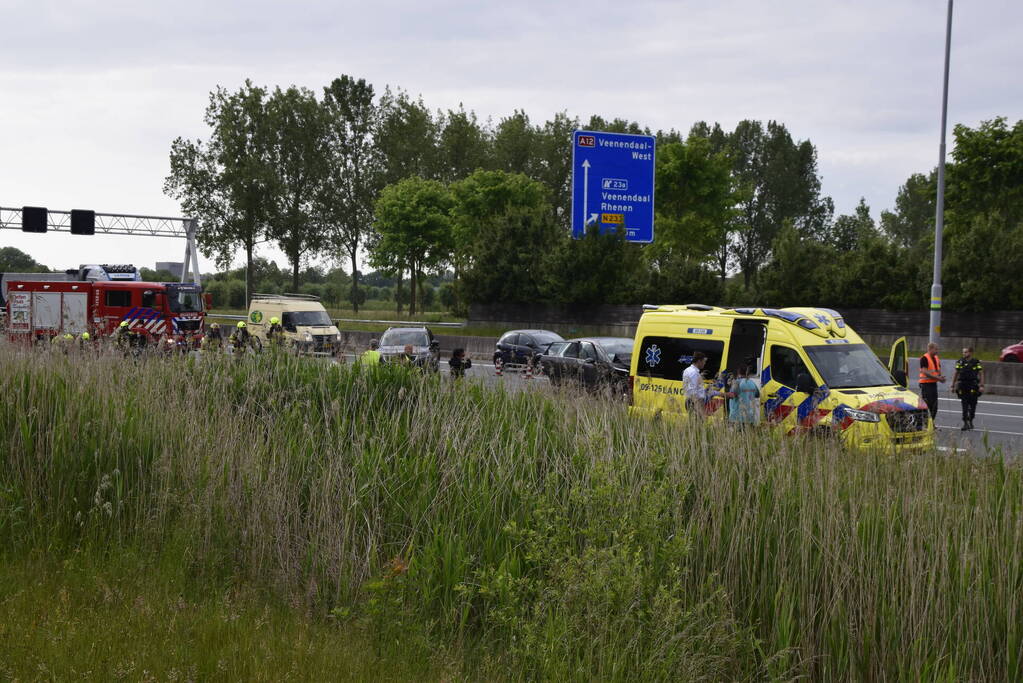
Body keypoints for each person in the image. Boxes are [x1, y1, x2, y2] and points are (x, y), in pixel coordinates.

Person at [951, 346, 984, 431]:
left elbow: (981, 373)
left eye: (965, 352)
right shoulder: (960, 361)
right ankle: (965, 423)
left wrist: (981, 385)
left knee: (973, 405)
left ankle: (971, 419)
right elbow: (956, 373)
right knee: (964, 404)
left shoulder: (976, 362)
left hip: (973, 385)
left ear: (970, 353)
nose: (964, 354)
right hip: (963, 385)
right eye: (963, 352)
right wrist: (953, 385)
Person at [682, 351, 722, 417]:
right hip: (695, 403)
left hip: (690, 401)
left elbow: (692, 388)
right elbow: (694, 393)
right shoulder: (694, 373)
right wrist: (702, 411)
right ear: (699, 361)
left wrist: (705, 390)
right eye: (704, 361)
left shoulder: (687, 370)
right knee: (698, 425)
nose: (704, 363)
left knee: (693, 424)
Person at [918, 342, 945, 421]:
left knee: (934, 406)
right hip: (925, 385)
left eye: (938, 349)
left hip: (933, 384)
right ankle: (926, 424)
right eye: (935, 349)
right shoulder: (924, 358)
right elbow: (925, 371)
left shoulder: (936, 358)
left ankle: (931, 423)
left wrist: (941, 377)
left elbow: (937, 371)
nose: (937, 351)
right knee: (927, 405)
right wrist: (938, 378)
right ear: (930, 349)